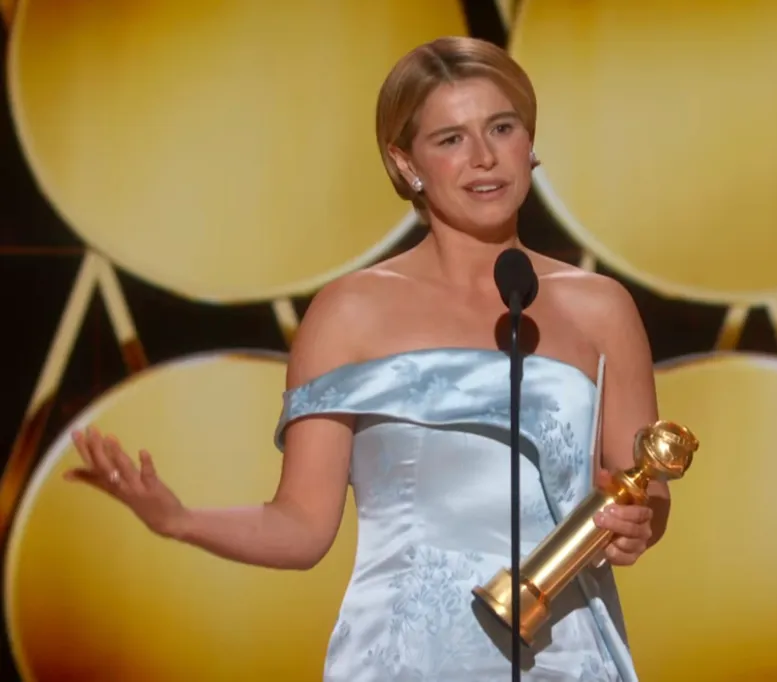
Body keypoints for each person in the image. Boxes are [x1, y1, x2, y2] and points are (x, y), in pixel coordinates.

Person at [66, 36, 671, 682]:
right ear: (405, 162)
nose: (485, 157)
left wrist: (640, 523)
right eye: (450, 139)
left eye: (502, 127)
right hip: (406, 657)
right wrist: (180, 521)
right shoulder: (349, 313)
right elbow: (301, 526)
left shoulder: (601, 308)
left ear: (530, 140)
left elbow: (643, 484)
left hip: (567, 653)